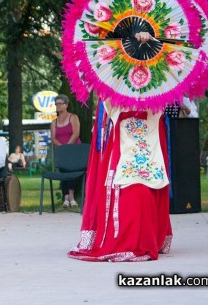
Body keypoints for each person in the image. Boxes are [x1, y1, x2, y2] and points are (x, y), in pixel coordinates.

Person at [68, 32, 172, 262]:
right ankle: (129, 240)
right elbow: (110, 102)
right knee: (131, 189)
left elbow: (163, 100)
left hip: (149, 139)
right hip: (124, 142)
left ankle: (147, 239)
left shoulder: (158, 76)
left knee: (146, 187)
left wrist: (153, 43)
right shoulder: (113, 77)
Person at [50, 94, 81, 208]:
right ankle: (66, 197)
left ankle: (71, 196)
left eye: (60, 103)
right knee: (63, 172)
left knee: (71, 171)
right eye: (56, 104)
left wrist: (67, 147)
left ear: (66, 105)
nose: (58, 106)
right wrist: (62, 148)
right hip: (61, 150)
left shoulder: (73, 117)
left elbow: (76, 133)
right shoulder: (54, 122)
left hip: (73, 149)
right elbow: (53, 138)